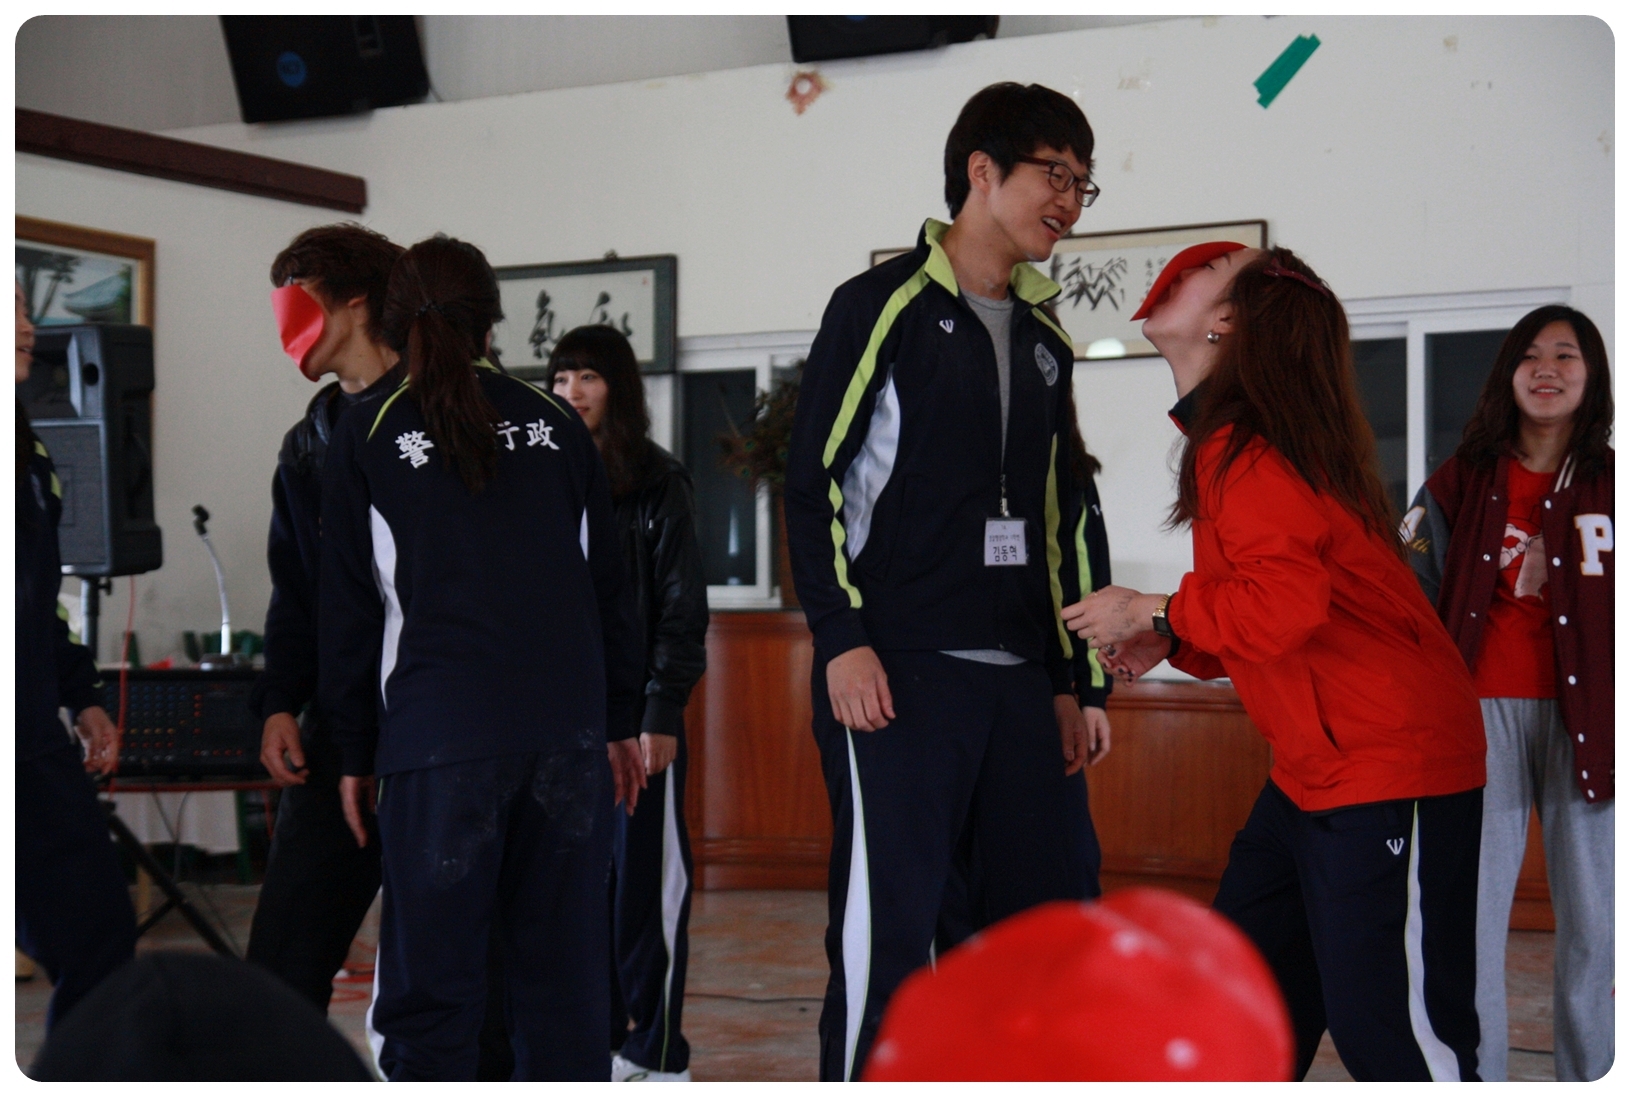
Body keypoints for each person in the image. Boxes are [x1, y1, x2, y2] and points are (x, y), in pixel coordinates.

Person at [1062, 243, 1487, 1080]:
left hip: (1390, 764)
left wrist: (1152, 608)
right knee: (1241, 1009)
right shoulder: (1236, 442)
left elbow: (1283, 608)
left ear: (1227, 320)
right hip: (1311, 771)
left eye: (1211, 267)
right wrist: (1178, 636)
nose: (1183, 269)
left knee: (1394, 1036)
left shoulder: (1247, 446)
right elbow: (1278, 614)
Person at [783, 81, 1101, 1081]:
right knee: (893, 933)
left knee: (1032, 929)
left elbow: (1056, 517)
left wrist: (1070, 679)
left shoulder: (1046, 339)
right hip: (896, 673)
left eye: (1084, 183)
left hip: (1017, 684)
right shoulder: (882, 307)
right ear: (982, 171)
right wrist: (842, 637)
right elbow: (813, 484)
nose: (1071, 200)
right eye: (1056, 174)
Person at [318, 234, 647, 1081]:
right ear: (493, 320)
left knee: (432, 994)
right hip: (566, 743)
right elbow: (609, 591)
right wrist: (619, 723)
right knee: (563, 988)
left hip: (438, 746)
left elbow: (350, 613)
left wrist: (353, 751)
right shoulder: (557, 426)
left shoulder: (368, 432)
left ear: (392, 320)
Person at [1399, 305, 1613, 1082]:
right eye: (1530, 355)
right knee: (1464, 922)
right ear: (1507, 375)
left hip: (1591, 721)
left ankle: (1594, 1075)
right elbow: (1408, 593)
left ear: (1592, 377)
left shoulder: (1612, 484)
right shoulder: (1461, 477)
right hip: (1476, 718)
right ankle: (1471, 1076)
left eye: (1566, 354)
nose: (1547, 368)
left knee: (1597, 923)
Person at [245, 222, 404, 1012]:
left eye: (299, 299)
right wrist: (280, 697)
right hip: (339, 724)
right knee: (281, 964)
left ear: (357, 301)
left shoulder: (444, 419)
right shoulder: (308, 443)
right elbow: (296, 589)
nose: (285, 324)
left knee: (460, 973)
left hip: (440, 725)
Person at [546, 324, 710, 1082]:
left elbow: (681, 607)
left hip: (639, 719)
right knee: (579, 891)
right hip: (563, 721)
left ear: (618, 387)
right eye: (560, 377)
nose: (572, 391)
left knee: (645, 892)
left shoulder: (657, 480)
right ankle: (601, 1040)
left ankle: (658, 1052)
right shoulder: (542, 474)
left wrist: (661, 708)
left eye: (588, 376)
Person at [14, 280, 137, 1029]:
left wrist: (82, 693)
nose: (27, 326)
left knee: (97, 936)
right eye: (9, 311)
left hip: (32, 740)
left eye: (25, 310)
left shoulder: (28, 449)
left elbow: (37, 601)